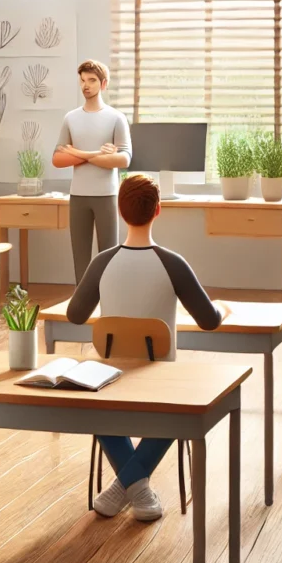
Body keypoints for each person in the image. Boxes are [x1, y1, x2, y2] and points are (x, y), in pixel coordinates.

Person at [67, 173, 225, 521]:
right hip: (161, 382)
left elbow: (75, 315)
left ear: (120, 212)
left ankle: (120, 488)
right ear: (158, 210)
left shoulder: (101, 262)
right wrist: (224, 308)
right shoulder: (173, 263)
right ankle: (137, 489)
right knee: (182, 410)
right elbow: (210, 321)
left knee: (93, 404)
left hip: (109, 380)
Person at [52, 59, 132, 282]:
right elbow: (58, 159)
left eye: (92, 80)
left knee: (108, 255)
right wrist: (97, 154)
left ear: (104, 84)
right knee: (80, 258)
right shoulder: (71, 118)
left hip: (107, 195)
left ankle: (109, 303)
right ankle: (82, 305)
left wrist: (78, 153)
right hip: (78, 196)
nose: (86, 85)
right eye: (83, 80)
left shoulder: (116, 118)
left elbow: (124, 159)